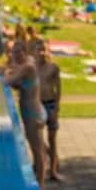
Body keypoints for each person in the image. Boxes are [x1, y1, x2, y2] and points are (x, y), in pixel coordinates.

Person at [2, 43, 46, 187]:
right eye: (12, 52)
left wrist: (8, 71)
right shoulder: (26, 65)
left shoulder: (28, 67)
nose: (13, 55)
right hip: (31, 112)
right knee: (37, 146)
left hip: (34, 114)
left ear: (23, 52)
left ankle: (40, 185)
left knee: (37, 151)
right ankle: (40, 175)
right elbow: (18, 83)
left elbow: (9, 80)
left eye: (16, 52)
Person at [36, 49, 63, 182]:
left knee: (52, 139)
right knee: (38, 139)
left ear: (48, 52)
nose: (42, 53)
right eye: (39, 51)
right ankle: (49, 160)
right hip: (38, 106)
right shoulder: (33, 67)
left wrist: (57, 106)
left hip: (50, 104)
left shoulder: (53, 68)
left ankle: (53, 171)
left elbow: (58, 87)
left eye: (44, 51)